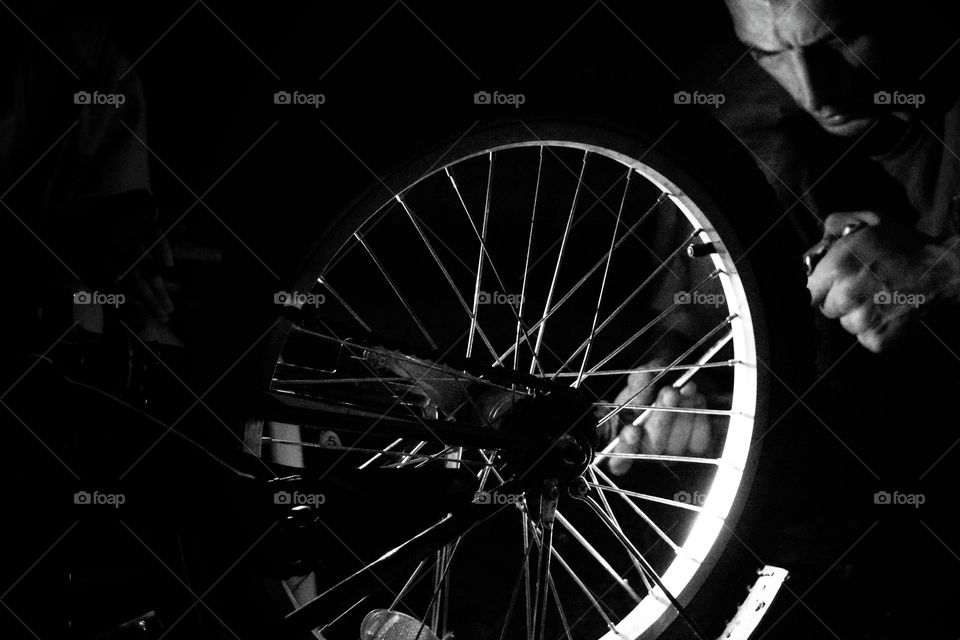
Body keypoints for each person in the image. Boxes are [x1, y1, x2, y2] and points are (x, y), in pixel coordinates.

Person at [608, 1, 960, 637]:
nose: (813, 86)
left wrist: (942, 273)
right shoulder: (736, 115)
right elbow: (691, 326)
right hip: (839, 531)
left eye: (840, 37)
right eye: (770, 52)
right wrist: (678, 392)